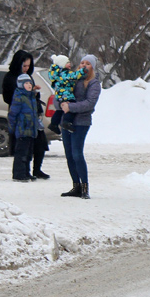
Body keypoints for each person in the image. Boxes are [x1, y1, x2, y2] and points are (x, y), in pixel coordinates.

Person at [2, 50, 50, 179]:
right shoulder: (11, 78)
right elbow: (8, 98)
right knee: (23, 147)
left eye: (28, 66)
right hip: (22, 118)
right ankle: (21, 172)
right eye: (24, 66)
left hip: (33, 116)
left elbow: (33, 94)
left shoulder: (28, 77)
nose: (26, 69)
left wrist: (33, 94)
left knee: (39, 144)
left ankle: (35, 169)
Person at [59, 54, 101, 199]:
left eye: (88, 63)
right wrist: (62, 103)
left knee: (77, 154)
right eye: (82, 62)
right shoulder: (72, 79)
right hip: (66, 122)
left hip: (81, 122)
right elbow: (60, 95)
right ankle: (75, 186)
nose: (84, 65)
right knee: (69, 155)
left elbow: (89, 103)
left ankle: (84, 187)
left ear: (92, 68)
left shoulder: (94, 84)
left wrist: (70, 107)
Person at [46, 54, 83, 134]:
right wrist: (83, 71)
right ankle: (67, 122)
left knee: (59, 110)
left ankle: (54, 124)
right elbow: (74, 76)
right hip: (66, 94)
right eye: (67, 62)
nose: (69, 64)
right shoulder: (64, 73)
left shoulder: (57, 74)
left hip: (60, 94)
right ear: (62, 64)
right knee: (70, 107)